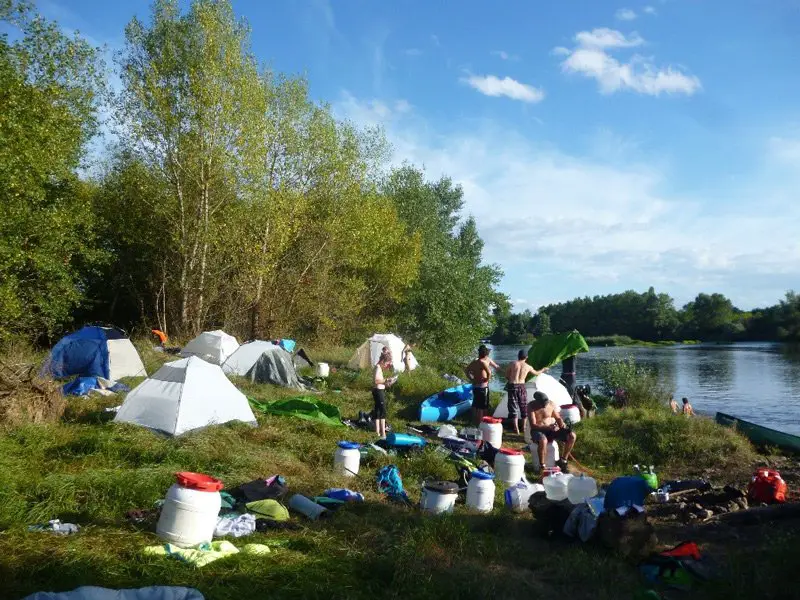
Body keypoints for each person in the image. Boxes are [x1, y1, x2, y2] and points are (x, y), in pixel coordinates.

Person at [529, 391, 576, 473]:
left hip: (551, 429)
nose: (544, 405)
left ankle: (563, 460)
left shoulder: (550, 404)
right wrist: (547, 428)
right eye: (542, 404)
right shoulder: (531, 406)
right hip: (538, 430)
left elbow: (558, 418)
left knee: (572, 436)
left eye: (545, 403)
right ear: (536, 401)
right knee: (543, 440)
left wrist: (562, 426)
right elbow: (533, 425)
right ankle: (542, 466)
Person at [504, 349, 547, 435]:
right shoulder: (528, 366)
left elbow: (506, 375)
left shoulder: (512, 364)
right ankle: (523, 427)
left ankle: (516, 429)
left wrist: (510, 380)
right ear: (526, 357)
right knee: (523, 406)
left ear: (518, 356)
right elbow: (536, 373)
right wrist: (543, 369)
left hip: (512, 385)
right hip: (522, 386)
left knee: (513, 407)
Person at [465, 345, 500, 425]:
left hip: (476, 386)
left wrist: (471, 379)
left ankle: (474, 422)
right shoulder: (483, 362)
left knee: (476, 404)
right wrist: (487, 380)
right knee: (482, 406)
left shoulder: (474, 362)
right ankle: (480, 423)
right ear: (485, 354)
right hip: (483, 387)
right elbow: (489, 373)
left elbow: (467, 370)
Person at [372, 347, 397, 438]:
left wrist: (387, 383)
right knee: (383, 412)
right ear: (383, 361)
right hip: (378, 392)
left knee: (378, 411)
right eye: (387, 363)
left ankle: (377, 432)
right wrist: (386, 379)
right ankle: (383, 433)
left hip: (379, 390)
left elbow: (379, 381)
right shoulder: (378, 368)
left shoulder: (379, 368)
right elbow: (375, 381)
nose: (387, 366)